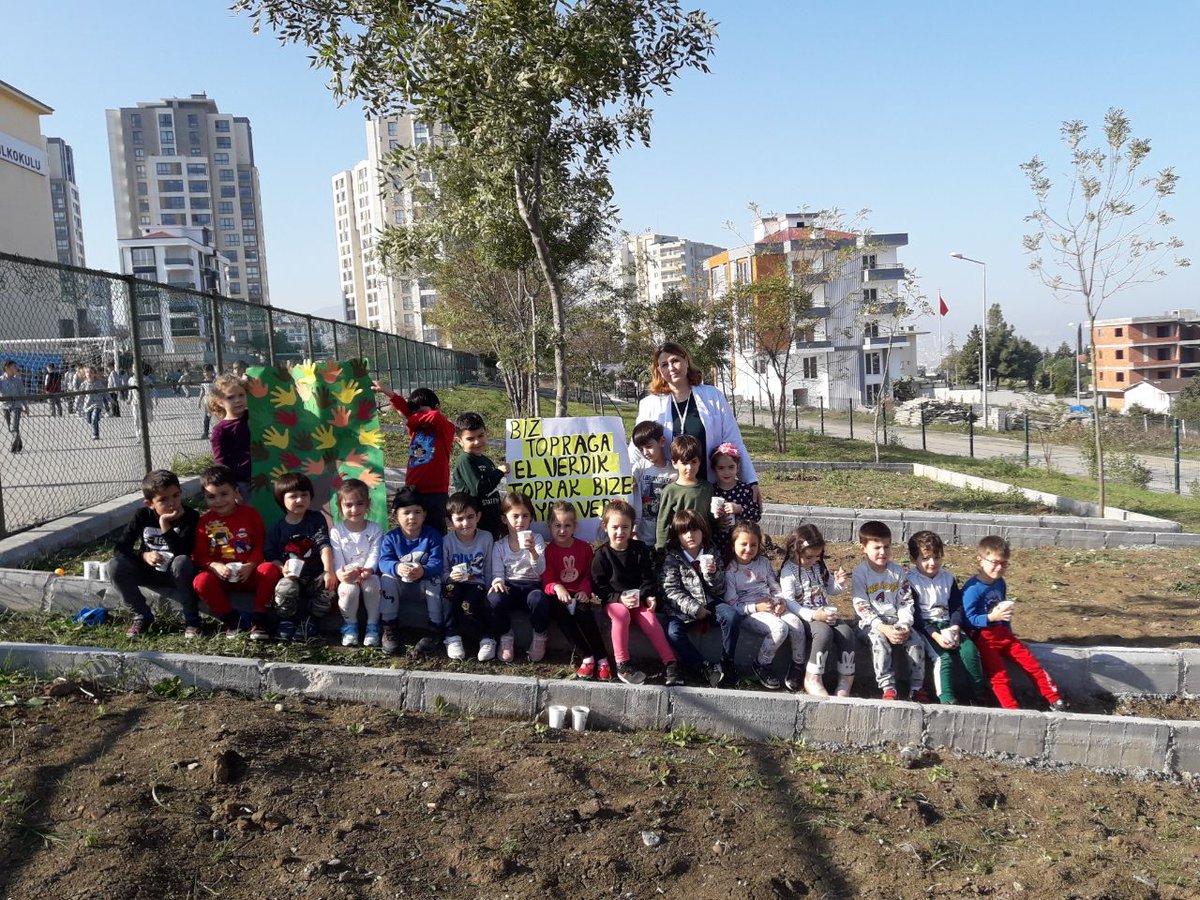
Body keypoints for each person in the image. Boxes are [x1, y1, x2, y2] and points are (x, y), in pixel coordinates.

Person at [630, 341, 759, 502]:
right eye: (664, 364)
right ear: (659, 370)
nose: (671, 368)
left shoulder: (712, 396)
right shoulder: (650, 404)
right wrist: (625, 479)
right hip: (669, 492)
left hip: (709, 489)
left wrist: (751, 481)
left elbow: (734, 441)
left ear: (686, 361)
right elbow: (638, 446)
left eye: (675, 361)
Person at [962, 536, 1066, 711]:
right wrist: (990, 618)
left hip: (1004, 635)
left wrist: (1008, 631)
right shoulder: (972, 589)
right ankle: (1011, 709)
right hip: (985, 638)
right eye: (995, 562)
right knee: (999, 675)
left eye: (1004, 564)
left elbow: (1004, 614)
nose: (999, 567)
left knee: (1032, 665)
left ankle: (1054, 698)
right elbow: (968, 619)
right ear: (980, 560)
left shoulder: (1000, 583)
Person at [591, 499, 678, 686]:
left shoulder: (640, 550)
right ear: (605, 527)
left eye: (625, 527)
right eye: (615, 527)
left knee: (650, 618)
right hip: (614, 602)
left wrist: (648, 596)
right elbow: (599, 587)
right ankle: (623, 664)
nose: (620, 532)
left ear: (632, 528)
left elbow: (648, 577)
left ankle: (670, 663)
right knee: (621, 614)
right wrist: (619, 598)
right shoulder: (601, 555)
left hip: (638, 599)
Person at [191, 464, 281, 640]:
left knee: (269, 569)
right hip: (221, 576)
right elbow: (199, 555)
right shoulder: (204, 522)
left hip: (248, 573)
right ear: (205, 498)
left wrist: (251, 565)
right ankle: (231, 621)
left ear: (236, 492)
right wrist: (214, 566)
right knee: (201, 581)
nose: (218, 501)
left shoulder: (251, 514)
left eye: (224, 494)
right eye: (211, 496)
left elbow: (260, 545)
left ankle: (259, 618)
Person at [109, 469, 200, 638]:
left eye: (176, 495)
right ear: (150, 503)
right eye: (163, 499)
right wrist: (144, 555)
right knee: (115, 566)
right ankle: (142, 615)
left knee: (181, 561)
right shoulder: (142, 516)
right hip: (149, 570)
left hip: (177, 574)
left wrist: (165, 524)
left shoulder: (191, 516)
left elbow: (184, 551)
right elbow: (120, 548)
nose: (172, 503)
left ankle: (192, 620)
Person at [904, 530, 987, 706]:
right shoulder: (910, 581)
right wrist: (936, 635)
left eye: (936, 557)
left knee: (970, 652)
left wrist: (955, 627)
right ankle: (947, 699)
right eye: (925, 559)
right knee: (943, 658)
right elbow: (916, 615)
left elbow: (957, 606)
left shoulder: (948, 578)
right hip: (927, 628)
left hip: (948, 624)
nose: (932, 563)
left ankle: (979, 694)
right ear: (914, 559)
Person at [851, 520, 928, 702]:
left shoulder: (897, 572)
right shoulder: (860, 573)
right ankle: (888, 687)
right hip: (868, 622)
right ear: (863, 548)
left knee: (916, 642)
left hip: (895, 619)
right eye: (877, 547)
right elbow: (861, 606)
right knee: (879, 641)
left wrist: (904, 624)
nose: (883, 552)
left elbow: (905, 601)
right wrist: (882, 627)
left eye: (886, 547)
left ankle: (917, 687)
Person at [778, 524, 854, 698]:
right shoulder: (788, 572)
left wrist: (839, 583)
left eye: (817, 556)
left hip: (825, 613)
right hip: (807, 616)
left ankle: (846, 679)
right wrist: (812, 615)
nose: (813, 561)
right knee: (824, 633)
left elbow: (828, 588)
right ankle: (813, 677)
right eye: (808, 557)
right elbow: (789, 602)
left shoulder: (818, 566)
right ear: (793, 551)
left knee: (847, 633)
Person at [380, 486, 455, 657]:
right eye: (406, 513)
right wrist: (397, 567)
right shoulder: (391, 538)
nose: (412, 517)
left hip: (423, 586)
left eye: (417, 512)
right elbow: (383, 561)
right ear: (395, 515)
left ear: (424, 514)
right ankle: (389, 627)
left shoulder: (433, 536)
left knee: (436, 581)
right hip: (401, 585)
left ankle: (435, 628)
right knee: (386, 579)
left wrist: (424, 570)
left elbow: (438, 562)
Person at [541, 502, 611, 680]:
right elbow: (547, 579)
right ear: (549, 526)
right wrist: (557, 587)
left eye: (567, 525)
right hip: (558, 595)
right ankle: (587, 656)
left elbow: (588, 574)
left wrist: (584, 590)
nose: (562, 530)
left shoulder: (584, 548)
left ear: (575, 527)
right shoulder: (548, 551)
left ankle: (603, 659)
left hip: (579, 593)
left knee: (584, 615)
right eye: (557, 525)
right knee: (561, 616)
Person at [659, 508, 728, 687]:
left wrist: (712, 575)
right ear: (678, 536)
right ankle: (704, 666)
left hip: (711, 602)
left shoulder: (711, 551)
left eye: (694, 530)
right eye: (684, 531)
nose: (690, 535)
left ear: (702, 531)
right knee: (673, 632)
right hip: (682, 608)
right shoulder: (673, 557)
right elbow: (670, 590)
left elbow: (720, 588)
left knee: (731, 617)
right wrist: (695, 609)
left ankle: (728, 663)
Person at [373, 383, 455, 533]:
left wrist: (411, 419)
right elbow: (405, 410)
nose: (418, 417)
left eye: (422, 413)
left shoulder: (445, 427)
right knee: (412, 529)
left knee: (436, 530)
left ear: (437, 407)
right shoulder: (416, 428)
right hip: (413, 489)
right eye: (415, 413)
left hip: (436, 491)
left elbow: (434, 416)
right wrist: (388, 392)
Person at [265, 472, 336, 642]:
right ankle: (286, 620)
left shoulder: (316, 519)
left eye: (304, 495)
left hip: (315, 576)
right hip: (292, 578)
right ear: (282, 500)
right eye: (293, 496)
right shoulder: (277, 528)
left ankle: (310, 621)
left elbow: (323, 544)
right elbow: (270, 555)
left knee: (329, 588)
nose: (299, 500)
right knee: (285, 588)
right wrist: (283, 569)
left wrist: (328, 571)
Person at [724, 521, 789, 690]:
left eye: (753, 545)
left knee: (796, 626)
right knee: (781, 629)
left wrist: (780, 601)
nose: (748, 549)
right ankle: (761, 664)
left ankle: (799, 667)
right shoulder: (730, 570)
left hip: (770, 606)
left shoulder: (763, 563)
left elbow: (775, 588)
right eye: (743, 544)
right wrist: (756, 608)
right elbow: (732, 605)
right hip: (749, 613)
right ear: (733, 545)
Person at [487, 491, 550, 663]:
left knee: (539, 599)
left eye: (525, 516)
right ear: (504, 519)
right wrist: (498, 582)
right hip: (511, 586)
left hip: (532, 586)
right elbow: (498, 573)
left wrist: (532, 552)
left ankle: (539, 636)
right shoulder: (499, 545)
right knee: (493, 598)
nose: (520, 521)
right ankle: (506, 636)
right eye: (515, 516)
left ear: (531, 518)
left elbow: (540, 570)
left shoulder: (536, 539)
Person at [330, 478, 384, 648]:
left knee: (373, 584)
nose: (354, 509)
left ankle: (373, 625)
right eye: (348, 505)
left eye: (360, 504)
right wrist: (341, 574)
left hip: (368, 574)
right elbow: (337, 557)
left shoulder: (375, 529)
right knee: (348, 589)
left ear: (367, 504)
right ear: (340, 507)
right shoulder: (336, 531)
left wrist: (369, 569)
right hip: (347, 576)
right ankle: (350, 625)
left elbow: (375, 553)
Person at [442, 493, 496, 660]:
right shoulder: (447, 541)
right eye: (459, 519)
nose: (465, 523)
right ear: (450, 521)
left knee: (469, 604)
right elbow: (442, 570)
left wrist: (489, 589)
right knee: (450, 593)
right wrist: (450, 577)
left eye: (470, 517)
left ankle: (486, 637)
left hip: (476, 584)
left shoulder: (486, 537)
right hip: (455, 583)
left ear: (478, 516)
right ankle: (452, 636)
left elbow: (488, 567)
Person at [450, 411, 507, 538]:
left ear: (487, 433)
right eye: (470, 438)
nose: (477, 442)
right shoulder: (465, 460)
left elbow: (492, 488)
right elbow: (479, 489)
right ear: (459, 441)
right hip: (477, 525)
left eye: (480, 436)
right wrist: (499, 472)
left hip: (493, 520)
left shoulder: (486, 460)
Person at [654, 434, 716, 551]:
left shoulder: (707, 488)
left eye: (693, 462)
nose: (689, 467)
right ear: (674, 463)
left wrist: (720, 518)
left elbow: (711, 518)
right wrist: (661, 549)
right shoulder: (670, 491)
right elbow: (663, 523)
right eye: (684, 463)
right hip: (678, 547)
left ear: (699, 462)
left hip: (704, 546)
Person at [710, 442, 762, 558]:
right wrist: (717, 521)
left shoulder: (745, 490)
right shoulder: (712, 491)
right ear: (714, 469)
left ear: (738, 466)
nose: (726, 472)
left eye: (731, 467)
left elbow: (757, 515)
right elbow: (705, 518)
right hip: (718, 544)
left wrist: (740, 509)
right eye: (721, 468)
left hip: (742, 546)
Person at [629, 420, 675, 546]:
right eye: (641, 449)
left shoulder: (674, 472)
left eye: (649, 446)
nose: (645, 453)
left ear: (661, 441)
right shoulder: (639, 468)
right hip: (642, 536)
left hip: (667, 538)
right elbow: (629, 488)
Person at [209, 374, 251, 500]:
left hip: (264, 476)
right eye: (230, 397)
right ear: (220, 402)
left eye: (241, 395)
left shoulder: (253, 416)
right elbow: (221, 463)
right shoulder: (220, 430)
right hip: (242, 483)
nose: (238, 400)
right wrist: (232, 487)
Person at [0, 360, 27, 452]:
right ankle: (19, 442)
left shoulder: (17, 380)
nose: (16, 368)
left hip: (16, 406)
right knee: (10, 428)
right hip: (5, 407)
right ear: (7, 368)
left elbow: (22, 394)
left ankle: (14, 446)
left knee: (14, 427)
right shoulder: (1, 380)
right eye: (13, 367)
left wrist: (25, 407)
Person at [81, 366, 105, 441]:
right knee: (89, 420)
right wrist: (76, 404)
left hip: (97, 404)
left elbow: (105, 392)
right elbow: (79, 395)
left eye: (91, 372)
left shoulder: (98, 383)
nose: (89, 374)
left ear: (94, 374)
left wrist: (110, 400)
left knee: (94, 418)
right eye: (87, 372)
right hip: (88, 405)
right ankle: (95, 419)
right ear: (85, 374)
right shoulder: (84, 384)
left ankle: (95, 434)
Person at [197, 364, 216, 440]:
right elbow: (202, 391)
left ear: (212, 372)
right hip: (207, 403)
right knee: (207, 418)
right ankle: (205, 433)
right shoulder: (204, 381)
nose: (206, 374)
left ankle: (217, 432)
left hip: (216, 402)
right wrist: (199, 401)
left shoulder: (215, 380)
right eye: (204, 372)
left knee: (217, 417)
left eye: (208, 372)